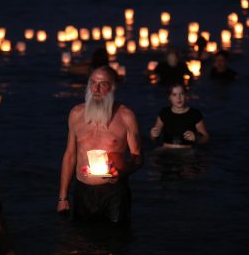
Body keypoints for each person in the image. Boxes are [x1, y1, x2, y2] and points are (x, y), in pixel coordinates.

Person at [57, 66, 142, 224]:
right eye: (93, 83)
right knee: (80, 244)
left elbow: (137, 158)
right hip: (83, 191)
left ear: (112, 88)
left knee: (116, 244)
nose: (96, 88)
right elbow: (69, 156)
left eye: (103, 84)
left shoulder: (125, 116)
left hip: (114, 193)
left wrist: (120, 173)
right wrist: (63, 197)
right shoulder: (76, 114)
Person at [150, 83, 209, 148]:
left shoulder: (194, 114)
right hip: (166, 151)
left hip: (187, 152)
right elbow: (154, 137)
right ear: (169, 97)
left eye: (182, 94)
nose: (179, 98)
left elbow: (206, 137)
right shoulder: (164, 112)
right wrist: (153, 135)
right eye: (174, 95)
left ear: (186, 96)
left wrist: (196, 138)